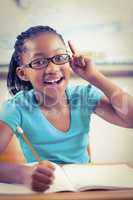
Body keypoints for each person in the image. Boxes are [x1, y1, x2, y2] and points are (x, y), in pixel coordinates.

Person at [0, 25, 133, 192]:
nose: (52, 69)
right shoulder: (16, 107)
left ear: (69, 60)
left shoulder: (84, 96)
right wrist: (23, 174)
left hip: (87, 189)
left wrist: (94, 76)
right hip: (44, 192)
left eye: (59, 58)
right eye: (39, 62)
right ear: (23, 73)